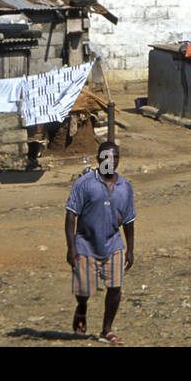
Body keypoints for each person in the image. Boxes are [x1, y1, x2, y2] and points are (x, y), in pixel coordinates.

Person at [65, 140, 136, 345]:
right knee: (84, 291)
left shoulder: (125, 187)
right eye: (106, 156)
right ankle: (82, 308)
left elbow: (129, 221)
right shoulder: (85, 184)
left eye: (114, 157)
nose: (110, 160)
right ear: (98, 159)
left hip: (113, 245)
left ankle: (106, 330)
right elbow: (71, 216)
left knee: (115, 287)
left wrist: (130, 250)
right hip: (85, 244)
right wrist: (71, 248)